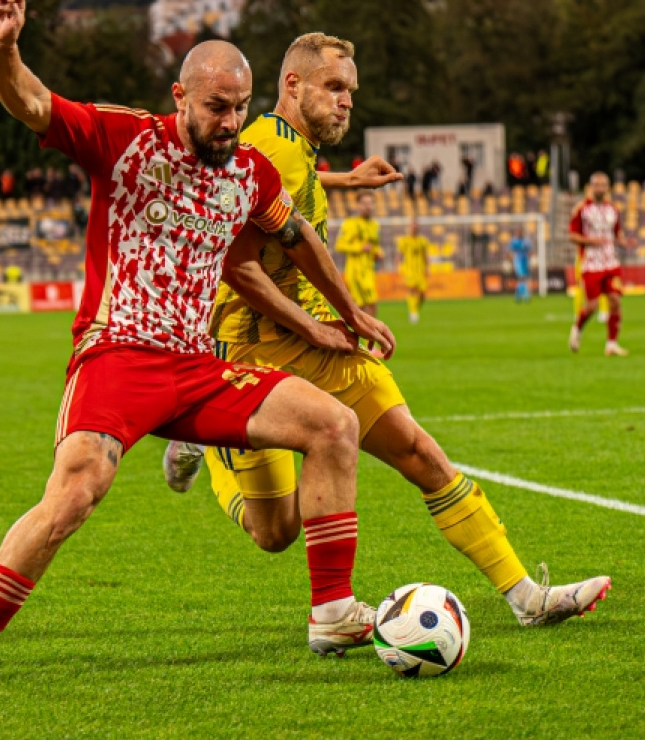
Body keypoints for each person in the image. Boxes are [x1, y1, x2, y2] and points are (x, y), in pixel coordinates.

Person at [0, 0, 397, 693]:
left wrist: (350, 312)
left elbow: (296, 237)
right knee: (80, 486)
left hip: (197, 366)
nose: (229, 122)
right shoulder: (122, 141)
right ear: (181, 97)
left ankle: (331, 610)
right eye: (215, 107)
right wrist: (4, 48)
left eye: (240, 108)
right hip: (118, 353)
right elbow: (32, 102)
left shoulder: (249, 172)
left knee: (333, 425)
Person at [163, 32, 610, 643]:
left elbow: (293, 186)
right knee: (274, 532)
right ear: (291, 86)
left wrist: (345, 181)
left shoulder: (288, 149)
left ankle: (525, 596)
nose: (347, 101)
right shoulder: (268, 146)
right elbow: (237, 270)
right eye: (334, 88)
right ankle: (202, 446)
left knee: (419, 453)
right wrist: (323, 323)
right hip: (246, 349)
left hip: (310, 341)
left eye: (351, 91)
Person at [568, 172, 634, 356]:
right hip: (591, 263)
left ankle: (611, 344)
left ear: (608, 187)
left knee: (615, 301)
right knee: (592, 306)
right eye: (596, 185)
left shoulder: (613, 210)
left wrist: (623, 241)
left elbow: (616, 234)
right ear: (590, 187)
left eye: (603, 185)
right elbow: (572, 235)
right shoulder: (581, 209)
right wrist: (591, 241)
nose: (600, 188)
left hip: (610, 262)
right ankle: (577, 329)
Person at [335, 189, 383, 319]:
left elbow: (375, 245)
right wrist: (359, 247)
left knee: (370, 306)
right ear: (358, 205)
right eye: (364, 203)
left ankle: (362, 337)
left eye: (370, 203)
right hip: (355, 271)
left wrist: (378, 252)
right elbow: (339, 245)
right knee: (360, 308)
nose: (368, 206)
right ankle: (346, 334)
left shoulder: (375, 226)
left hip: (369, 271)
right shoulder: (350, 224)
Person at [397, 219, 429, 323]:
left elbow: (425, 255)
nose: (414, 228)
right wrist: (400, 267)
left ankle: (414, 310)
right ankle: (413, 312)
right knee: (412, 290)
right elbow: (399, 255)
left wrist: (427, 267)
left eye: (416, 227)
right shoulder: (404, 241)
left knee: (423, 295)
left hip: (420, 270)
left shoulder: (422, 241)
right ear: (409, 228)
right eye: (412, 227)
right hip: (409, 270)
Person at [508, 228, 532, 303]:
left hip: (525, 261)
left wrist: (530, 259)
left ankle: (517, 295)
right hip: (517, 261)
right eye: (518, 232)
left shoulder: (526, 241)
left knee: (523, 279)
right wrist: (510, 262)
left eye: (520, 232)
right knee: (522, 278)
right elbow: (509, 252)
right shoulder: (514, 241)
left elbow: (530, 251)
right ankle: (525, 295)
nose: (519, 234)